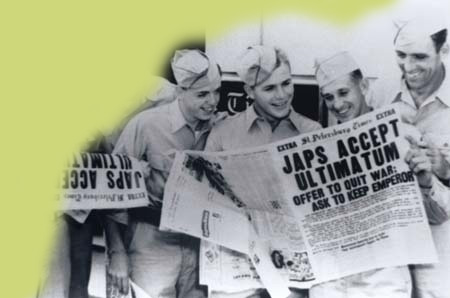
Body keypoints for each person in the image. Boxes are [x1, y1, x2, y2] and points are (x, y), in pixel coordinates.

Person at [205, 45, 322, 298]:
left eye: (287, 83)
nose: (282, 95)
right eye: (269, 88)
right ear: (249, 91)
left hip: (293, 273)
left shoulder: (313, 132)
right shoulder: (223, 133)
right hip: (238, 268)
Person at [105, 49, 223, 298]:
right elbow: (111, 195)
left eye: (217, 91)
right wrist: (117, 253)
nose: (212, 101)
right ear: (180, 92)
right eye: (202, 94)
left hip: (200, 244)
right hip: (151, 242)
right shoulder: (145, 125)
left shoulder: (220, 127)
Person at [309, 50, 413, 298]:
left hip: (383, 277)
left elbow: (436, 212)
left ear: (363, 86)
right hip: (332, 278)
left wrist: (427, 181)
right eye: (329, 97)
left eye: (343, 92)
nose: (337, 104)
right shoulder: (319, 149)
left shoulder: (400, 134)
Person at [383, 12, 450, 298]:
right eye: (401, 54)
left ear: (443, 49)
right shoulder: (379, 92)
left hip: (441, 251)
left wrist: (445, 169)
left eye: (419, 57)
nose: (408, 67)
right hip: (391, 248)